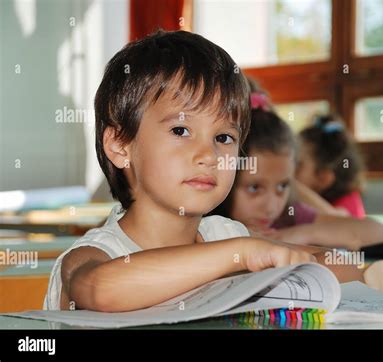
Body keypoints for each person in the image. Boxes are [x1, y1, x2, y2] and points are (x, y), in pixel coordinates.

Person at [44, 30, 325, 313]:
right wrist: (242, 253)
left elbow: (320, 263)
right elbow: (99, 290)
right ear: (120, 146)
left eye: (223, 138)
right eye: (180, 130)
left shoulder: (223, 235)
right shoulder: (96, 253)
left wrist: (365, 272)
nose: (208, 155)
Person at [209, 89, 383, 251]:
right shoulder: (204, 226)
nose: (271, 207)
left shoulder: (289, 215)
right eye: (254, 188)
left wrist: (305, 233)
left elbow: (381, 232)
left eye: (282, 187)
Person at [297, 114, 367, 218]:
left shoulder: (347, 204)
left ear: (323, 178)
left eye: (297, 166)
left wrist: (288, 183)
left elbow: (334, 219)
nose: (287, 168)